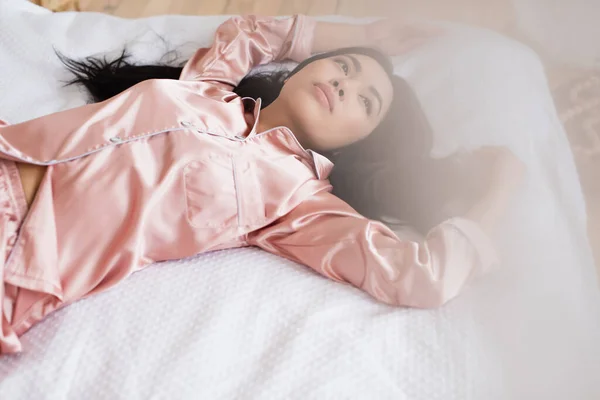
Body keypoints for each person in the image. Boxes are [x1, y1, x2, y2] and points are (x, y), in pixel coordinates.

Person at [0, 14, 523, 355]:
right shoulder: (205, 87)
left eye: (365, 102)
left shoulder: (299, 204)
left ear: (357, 143)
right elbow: (253, 32)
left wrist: (498, 187)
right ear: (300, 70)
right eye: (343, 68)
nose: (344, 82)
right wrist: (369, 36)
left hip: (18, 262)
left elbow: (419, 276)